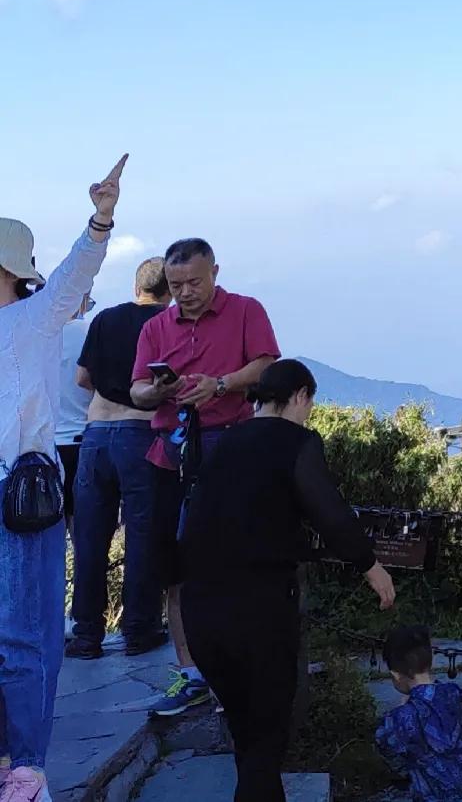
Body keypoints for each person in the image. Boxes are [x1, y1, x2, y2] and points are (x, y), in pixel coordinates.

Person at [178, 359, 395, 801]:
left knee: (247, 735)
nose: (308, 414)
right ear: (300, 395)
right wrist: (371, 566)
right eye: (309, 404)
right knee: (268, 736)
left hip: (200, 610)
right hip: (257, 611)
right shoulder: (295, 440)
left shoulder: (225, 442)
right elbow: (328, 511)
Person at [0, 152, 126, 802]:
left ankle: (25, 767)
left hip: (18, 492)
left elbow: (78, 273)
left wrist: (100, 218)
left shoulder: (39, 315)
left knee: (22, 634)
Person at [130, 237, 280, 717]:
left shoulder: (245, 310)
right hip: (170, 450)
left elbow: (267, 366)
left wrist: (221, 384)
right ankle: (190, 672)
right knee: (176, 566)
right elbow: (136, 390)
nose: (186, 292)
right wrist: (158, 390)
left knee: (233, 560)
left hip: (230, 445)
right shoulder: (156, 326)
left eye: (194, 282)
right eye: (176, 285)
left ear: (215, 271)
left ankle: (235, 670)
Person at [68, 259, 173, 659]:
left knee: (90, 538)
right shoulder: (167, 324)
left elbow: (82, 378)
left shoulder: (105, 320)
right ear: (169, 290)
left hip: (95, 435)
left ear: (136, 287)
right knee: (142, 535)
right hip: (141, 433)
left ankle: (86, 635)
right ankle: (140, 629)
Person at [373, 624, 462, 802]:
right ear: (430, 660)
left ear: (396, 675)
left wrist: (399, 710)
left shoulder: (402, 716)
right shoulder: (454, 692)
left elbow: (384, 741)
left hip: (435, 793)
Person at [56, 298, 94, 522]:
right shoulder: (90, 331)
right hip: (84, 439)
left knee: (48, 535)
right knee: (84, 534)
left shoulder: (40, 336)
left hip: (46, 447)